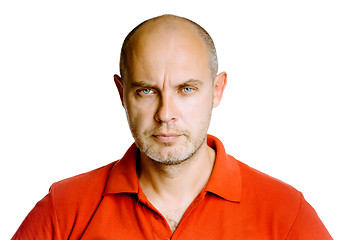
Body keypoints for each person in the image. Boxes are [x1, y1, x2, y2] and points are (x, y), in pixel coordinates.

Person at [12, 14, 332, 239]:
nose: (166, 114)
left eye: (187, 89)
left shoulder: (285, 213)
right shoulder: (64, 209)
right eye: (147, 91)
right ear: (122, 93)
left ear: (217, 90)